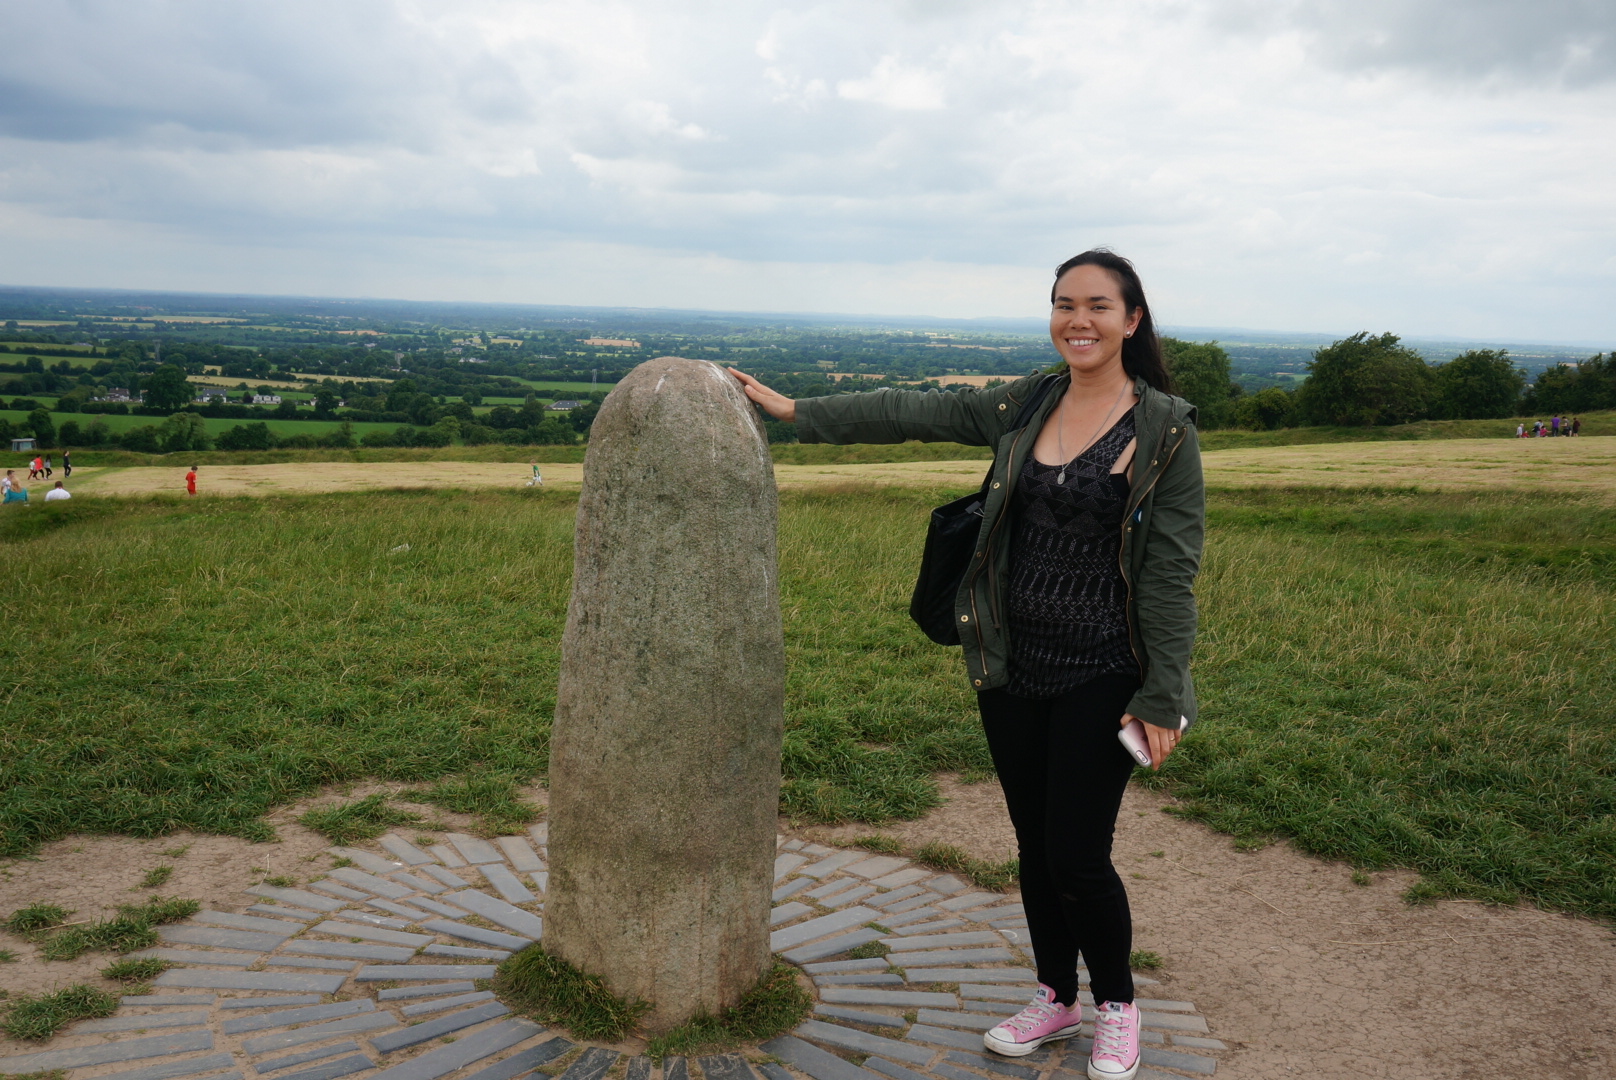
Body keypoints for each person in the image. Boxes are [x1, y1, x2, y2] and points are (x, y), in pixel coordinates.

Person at [730, 250, 1202, 1080]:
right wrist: (798, 410)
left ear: (1132, 320)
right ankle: (1057, 997)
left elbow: (1169, 572)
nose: (1077, 321)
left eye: (1097, 305)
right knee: (1031, 842)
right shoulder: (1027, 402)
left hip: (1103, 668)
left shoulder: (1163, 430)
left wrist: (1163, 693)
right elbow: (913, 409)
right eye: (1063, 304)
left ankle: (1118, 1007)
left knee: (1077, 854)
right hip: (1009, 662)